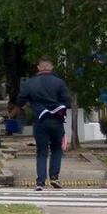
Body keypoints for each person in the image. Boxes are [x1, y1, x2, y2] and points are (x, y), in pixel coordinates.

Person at [15, 58, 72, 190]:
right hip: (57, 121)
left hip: (40, 121)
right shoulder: (59, 83)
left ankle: (40, 182)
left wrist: (30, 104)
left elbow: (20, 100)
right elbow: (67, 102)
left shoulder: (30, 83)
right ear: (51, 68)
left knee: (41, 151)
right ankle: (54, 177)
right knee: (57, 149)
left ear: (38, 68)